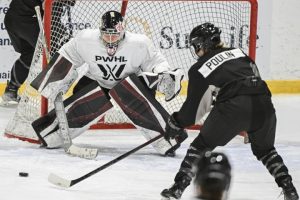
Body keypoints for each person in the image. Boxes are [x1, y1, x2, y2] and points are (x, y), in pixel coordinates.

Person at [161, 23, 299, 200]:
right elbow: (253, 80)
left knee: (200, 146)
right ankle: (289, 189)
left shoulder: (199, 68)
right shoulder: (240, 53)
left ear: (201, 45)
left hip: (233, 108)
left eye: (196, 46)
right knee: (266, 151)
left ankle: (177, 188)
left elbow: (193, 113)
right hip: (264, 105)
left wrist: (176, 122)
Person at [30, 10, 187, 157]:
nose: (111, 40)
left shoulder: (139, 43)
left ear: (123, 31)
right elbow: (68, 55)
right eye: (106, 35)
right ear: (100, 31)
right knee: (80, 105)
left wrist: (164, 74)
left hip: (129, 84)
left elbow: (155, 62)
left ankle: (168, 140)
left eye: (115, 35)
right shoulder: (86, 39)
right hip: (96, 81)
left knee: (134, 95)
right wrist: (54, 81)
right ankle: (49, 133)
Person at [0, 0, 76, 105]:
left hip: (13, 19)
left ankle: (11, 90)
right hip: (29, 20)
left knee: (29, 54)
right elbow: (47, 6)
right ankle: (50, 94)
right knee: (57, 52)